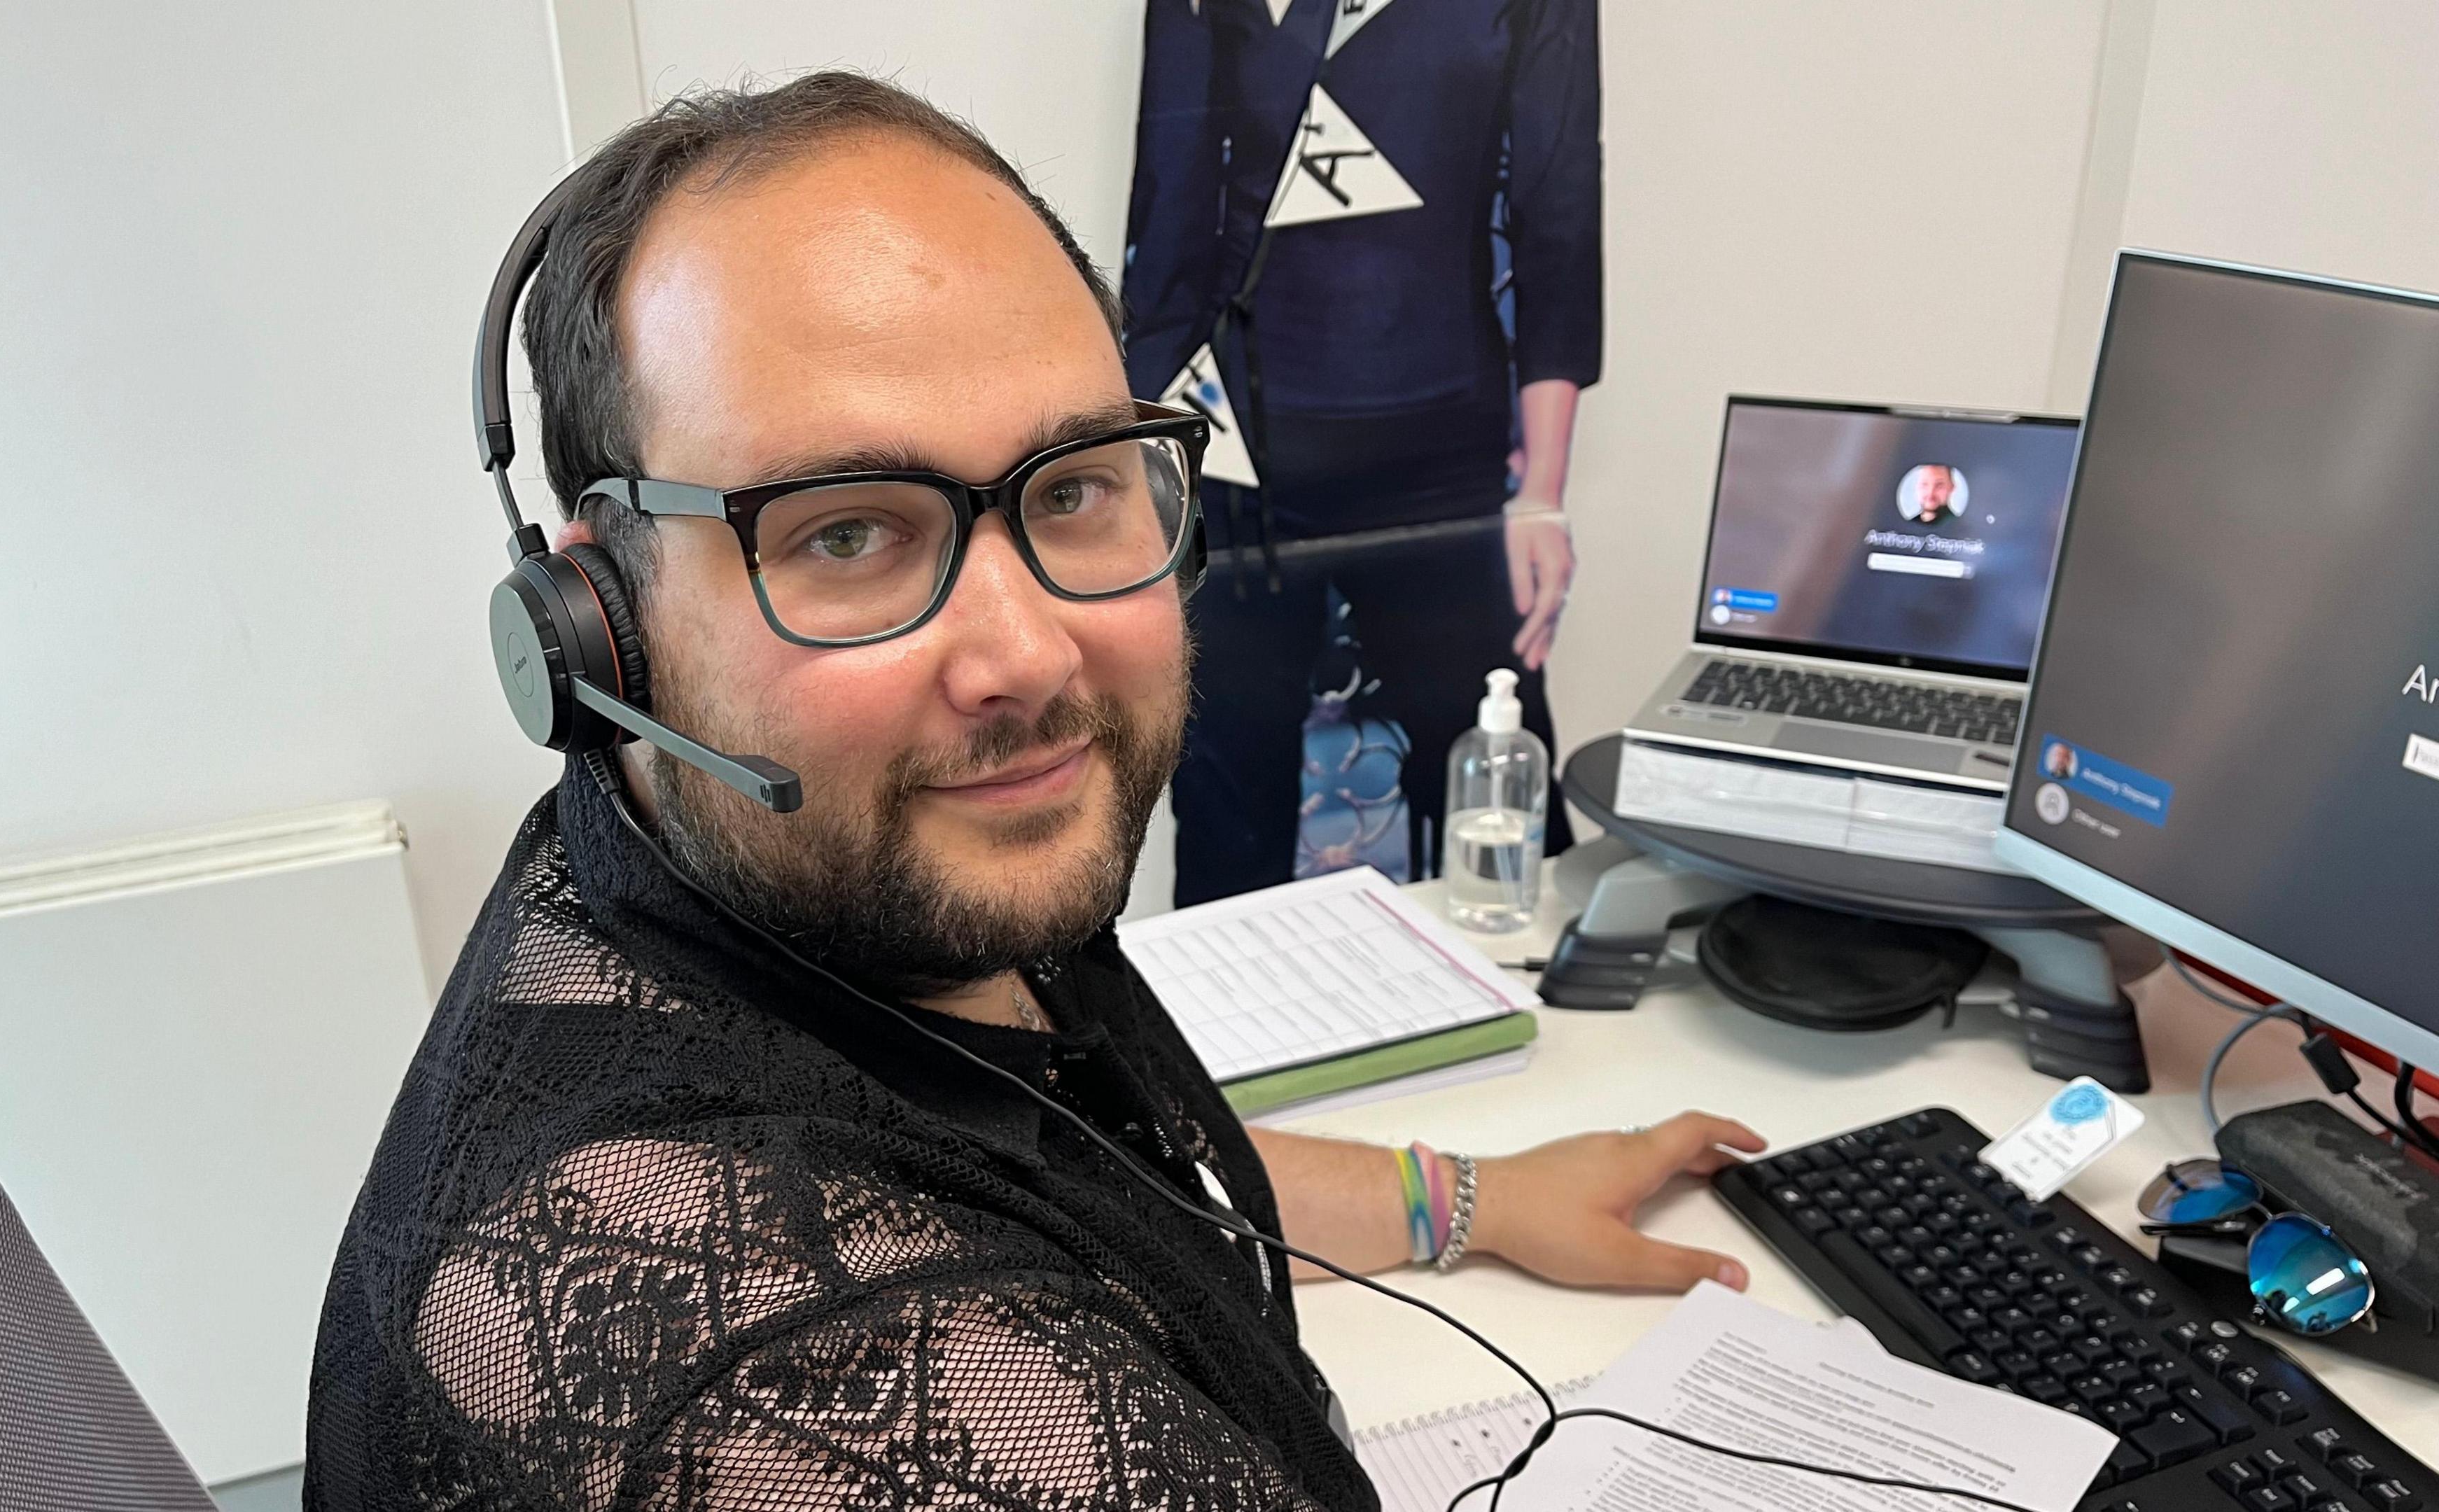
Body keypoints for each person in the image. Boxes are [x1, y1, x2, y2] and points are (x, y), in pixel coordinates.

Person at [307, 73, 1759, 1511]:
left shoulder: (771, 877)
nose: (1027, 655)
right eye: (851, 532)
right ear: (599, 623)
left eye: (1071, 488)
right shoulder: (771, 1371)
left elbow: (1076, 1147)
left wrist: (1468, 1201)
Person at [1124, 0, 1601, 903]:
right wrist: (1140, 476)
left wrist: (1542, 493)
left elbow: (1560, 204)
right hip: (1232, 455)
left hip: (1441, 456)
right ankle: (1232, 1044)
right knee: (1230, 825)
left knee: (1498, 810)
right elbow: (1171, 202)